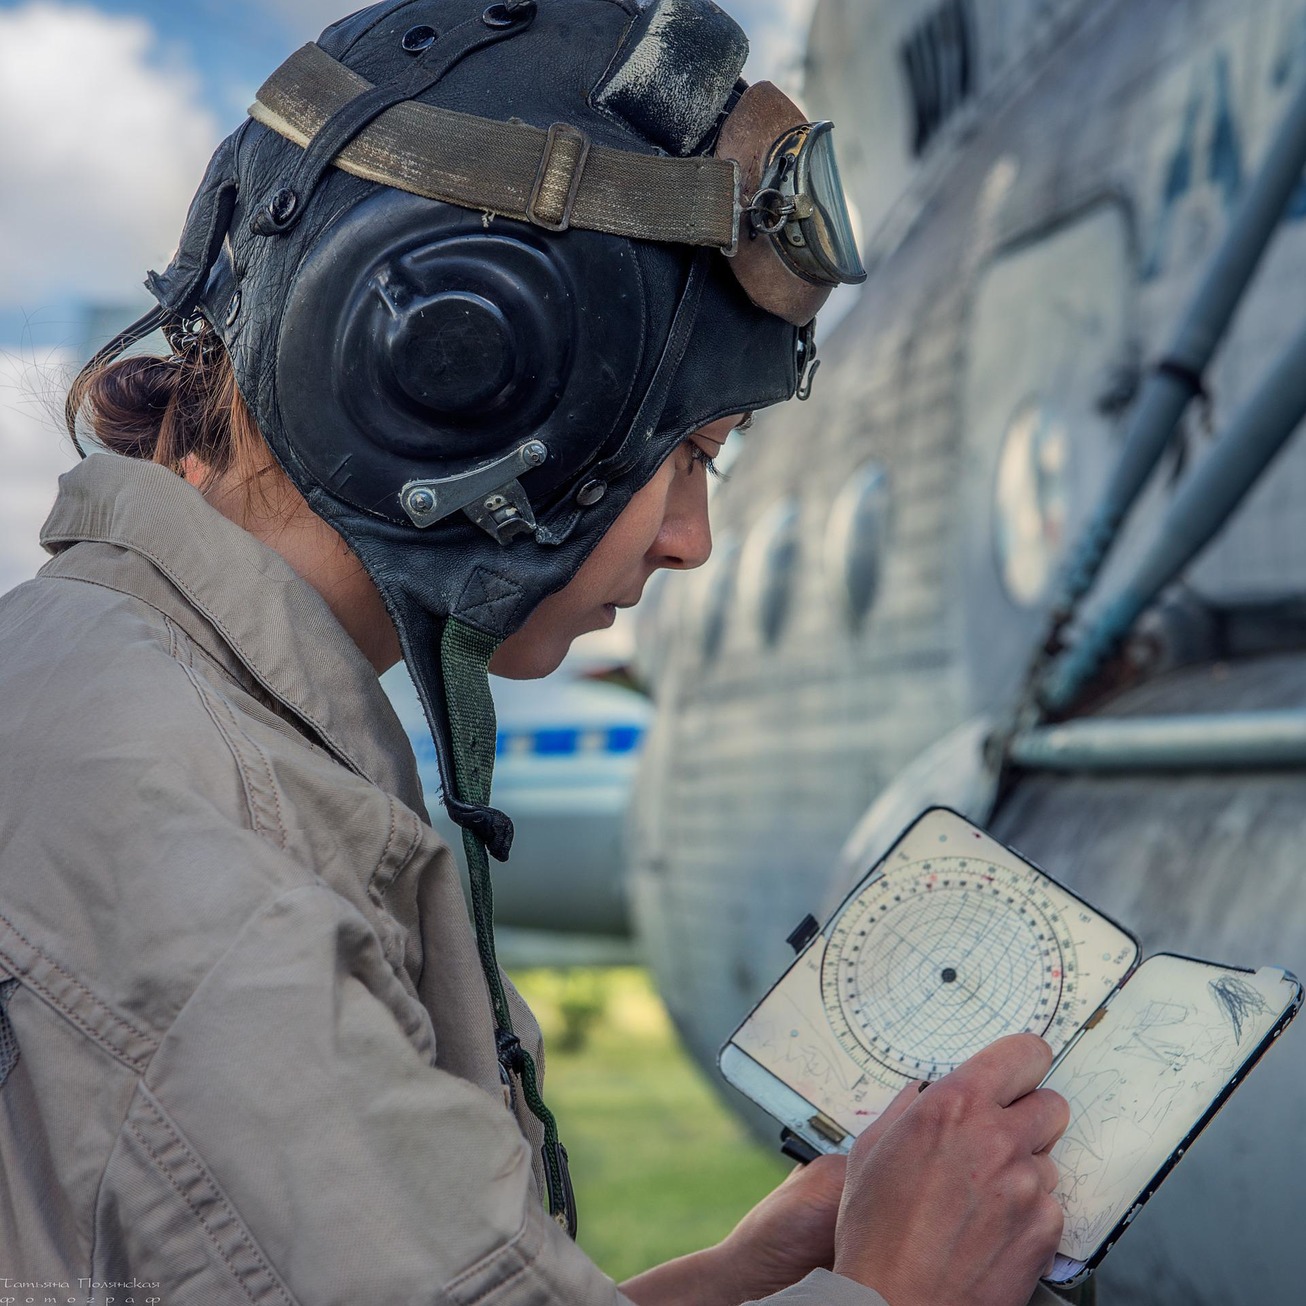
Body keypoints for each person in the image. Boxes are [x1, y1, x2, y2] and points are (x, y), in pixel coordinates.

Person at [0, 1, 1071, 1302]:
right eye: (689, 453)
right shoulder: (210, 859)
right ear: (465, 372)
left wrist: (744, 1273)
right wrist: (901, 1288)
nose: (692, 541)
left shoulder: (131, 704)